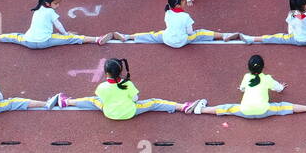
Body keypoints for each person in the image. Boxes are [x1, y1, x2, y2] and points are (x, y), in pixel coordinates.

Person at [59, 58, 201, 118]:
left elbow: (101, 99)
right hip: (130, 112)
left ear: (106, 72)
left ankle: (67, 102)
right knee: (154, 102)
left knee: (92, 100)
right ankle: (182, 107)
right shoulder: (127, 84)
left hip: (109, 113)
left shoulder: (101, 87)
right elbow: (135, 99)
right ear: (120, 71)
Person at [0, 0, 118, 48]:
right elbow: (59, 26)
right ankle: (97, 39)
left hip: (28, 41)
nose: (58, 5)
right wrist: (66, 34)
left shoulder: (37, 10)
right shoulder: (51, 12)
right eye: (56, 3)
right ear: (48, 4)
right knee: (72, 39)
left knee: (12, 37)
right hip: (45, 41)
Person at [200, 54, 306, 118]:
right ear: (263, 67)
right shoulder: (267, 78)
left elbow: (242, 89)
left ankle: (201, 109)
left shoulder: (246, 77)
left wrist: (244, 89)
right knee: (283, 107)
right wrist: (281, 87)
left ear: (248, 68)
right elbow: (279, 89)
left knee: (227, 108)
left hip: (245, 111)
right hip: (264, 111)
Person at [123, 0, 236, 47]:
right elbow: (190, 33)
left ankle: (128, 36)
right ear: (177, 5)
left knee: (151, 35)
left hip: (166, 38)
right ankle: (223, 35)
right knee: (200, 32)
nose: (185, 2)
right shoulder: (186, 17)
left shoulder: (167, 12)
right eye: (183, 1)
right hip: (181, 41)